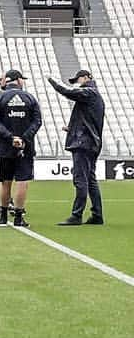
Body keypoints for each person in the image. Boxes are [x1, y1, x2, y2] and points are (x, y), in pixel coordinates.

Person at [48, 68, 105, 227]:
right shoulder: (94, 96)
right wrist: (72, 128)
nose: (78, 84)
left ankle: (77, 215)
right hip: (91, 142)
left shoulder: (89, 92)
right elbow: (89, 120)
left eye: (79, 79)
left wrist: (52, 81)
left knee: (80, 179)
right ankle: (97, 214)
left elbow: (67, 92)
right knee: (91, 179)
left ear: (87, 77)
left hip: (83, 143)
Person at [0, 68, 42, 229]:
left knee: (5, 182)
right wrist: (23, 138)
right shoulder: (30, 98)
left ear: (7, 81)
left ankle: (3, 217)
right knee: (22, 182)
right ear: (18, 80)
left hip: (6, 147)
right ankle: (19, 217)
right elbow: (37, 121)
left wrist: (10, 137)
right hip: (25, 147)